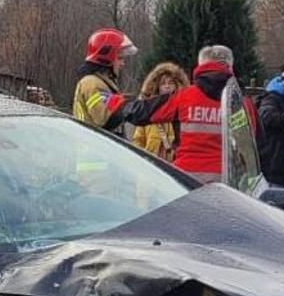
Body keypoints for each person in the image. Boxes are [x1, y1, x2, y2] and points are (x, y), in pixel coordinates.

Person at [106, 45, 255, 184]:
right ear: (230, 66)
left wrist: (112, 102)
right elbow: (256, 150)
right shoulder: (243, 103)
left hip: (187, 182)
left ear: (201, 66)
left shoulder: (184, 97)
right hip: (229, 184)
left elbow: (141, 113)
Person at [72, 28, 135, 131]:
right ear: (106, 59)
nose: (123, 64)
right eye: (119, 58)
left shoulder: (101, 82)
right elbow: (106, 119)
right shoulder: (92, 83)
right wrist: (135, 109)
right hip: (91, 144)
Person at [131, 62, 187, 161]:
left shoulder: (182, 110)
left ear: (177, 85)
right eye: (163, 84)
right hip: (151, 164)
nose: (167, 86)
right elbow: (138, 140)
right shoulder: (148, 111)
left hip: (175, 164)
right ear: (157, 86)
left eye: (171, 83)